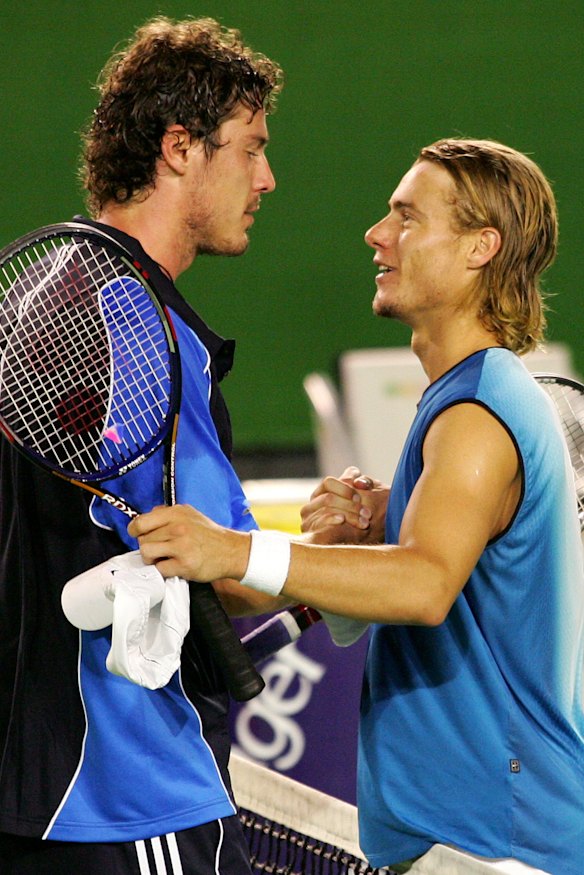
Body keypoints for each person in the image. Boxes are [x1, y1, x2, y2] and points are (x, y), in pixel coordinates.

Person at [128, 138, 584, 875]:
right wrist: (379, 527)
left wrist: (238, 548)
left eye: (407, 217)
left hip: (500, 851)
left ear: (480, 247)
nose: (377, 234)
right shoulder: (464, 400)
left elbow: (424, 584)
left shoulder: (478, 413)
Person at [0, 16, 284, 874]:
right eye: (251, 148)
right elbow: (220, 569)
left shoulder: (35, 300)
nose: (267, 177)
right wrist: (340, 560)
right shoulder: (147, 331)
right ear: (180, 148)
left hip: (31, 789)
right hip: (128, 793)